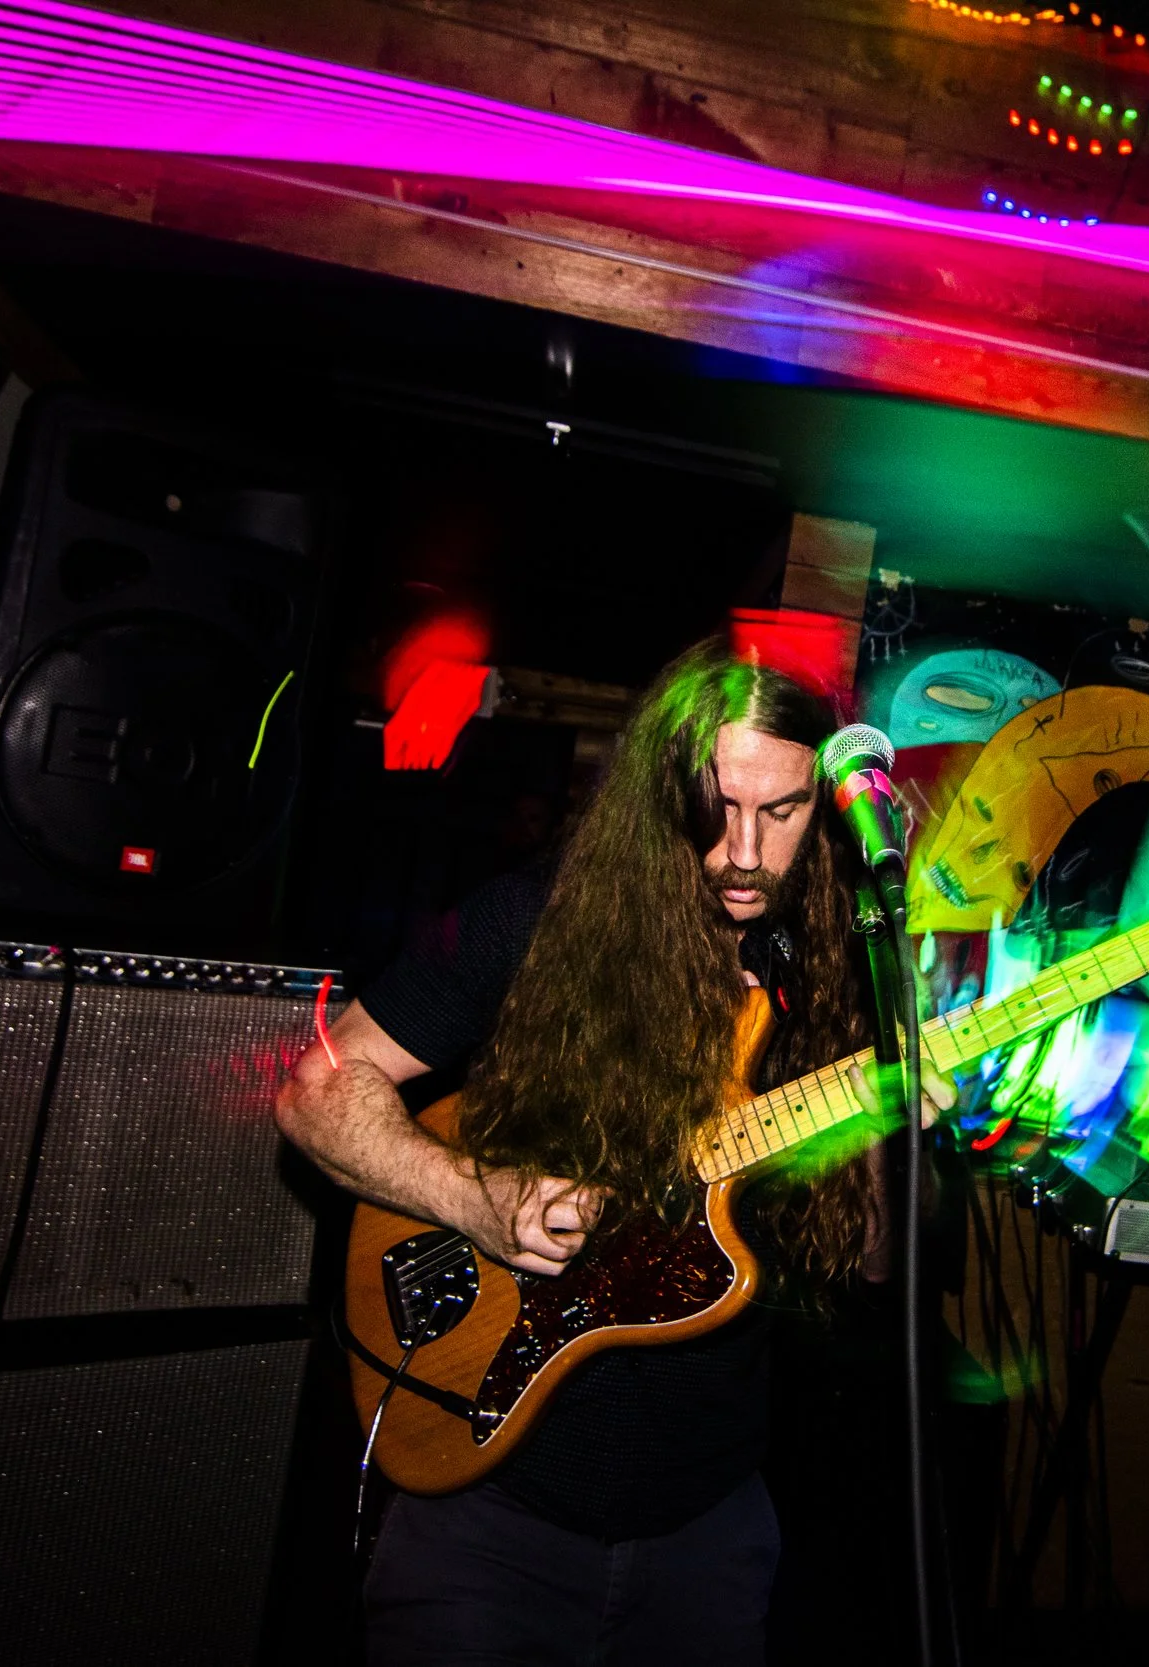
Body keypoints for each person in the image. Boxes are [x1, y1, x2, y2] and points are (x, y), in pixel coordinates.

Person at [274, 640, 944, 1666]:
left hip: (709, 1526)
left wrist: (892, 1134)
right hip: (490, 1507)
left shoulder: (839, 972)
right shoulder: (537, 920)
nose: (746, 851)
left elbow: (872, 1264)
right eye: (718, 807)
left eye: (782, 811)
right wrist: (470, 1194)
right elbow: (319, 1089)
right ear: (661, 792)